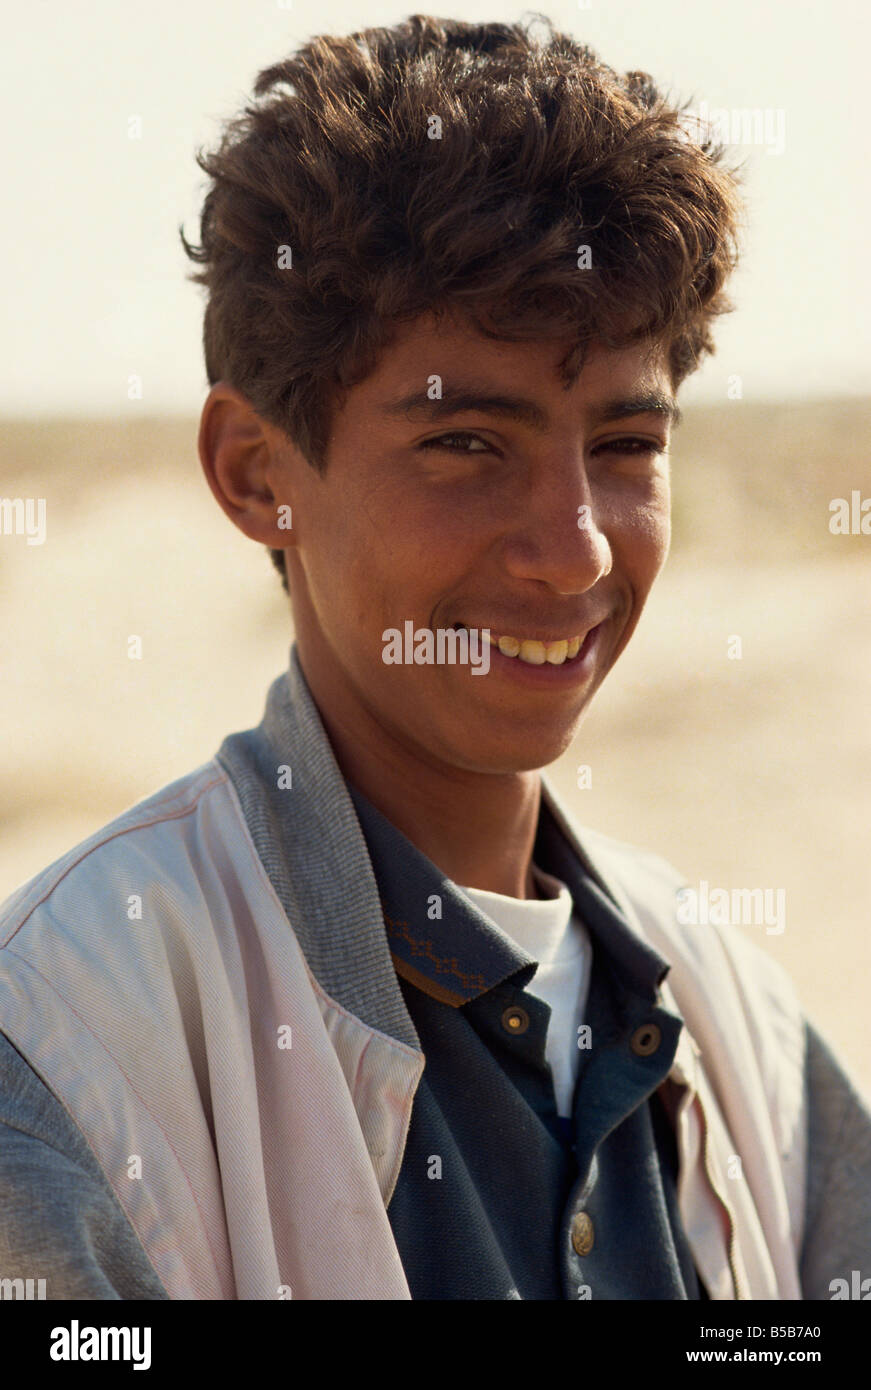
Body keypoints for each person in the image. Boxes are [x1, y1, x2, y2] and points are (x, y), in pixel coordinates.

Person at [1, 14, 868, 1301]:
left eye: (625, 446)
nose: (573, 554)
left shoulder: (740, 1033)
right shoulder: (78, 1033)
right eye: (467, 441)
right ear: (256, 475)